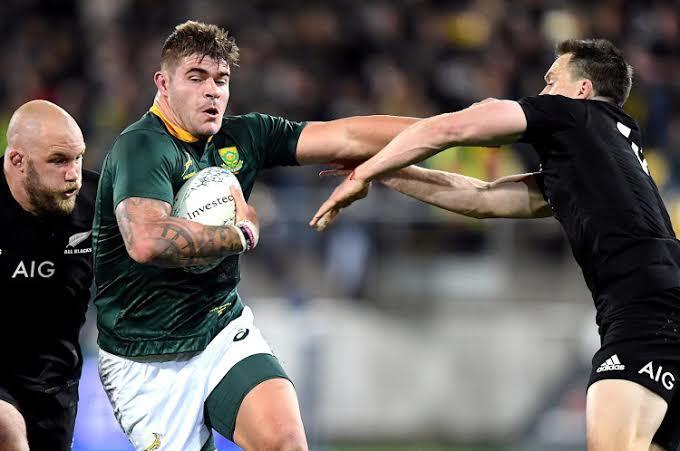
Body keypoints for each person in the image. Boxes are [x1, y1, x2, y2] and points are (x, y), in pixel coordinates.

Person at [311, 39, 680, 451]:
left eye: (551, 81)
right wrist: (379, 171)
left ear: (582, 89)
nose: (541, 92)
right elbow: (481, 198)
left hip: (645, 304)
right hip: (661, 299)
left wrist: (364, 172)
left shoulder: (570, 114)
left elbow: (450, 128)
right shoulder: (602, 151)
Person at [92, 20, 417, 451]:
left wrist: (447, 129)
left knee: (287, 444)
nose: (212, 91)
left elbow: (346, 134)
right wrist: (242, 233)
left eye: (221, 80)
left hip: (221, 333)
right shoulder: (141, 147)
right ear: (163, 83)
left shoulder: (244, 136)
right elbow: (147, 240)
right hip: (145, 362)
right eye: (196, 78)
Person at [0, 100, 97, 450]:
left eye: (78, 158)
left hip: (54, 383)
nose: (73, 174)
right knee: (7, 430)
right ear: (17, 160)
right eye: (58, 161)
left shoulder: (99, 204)